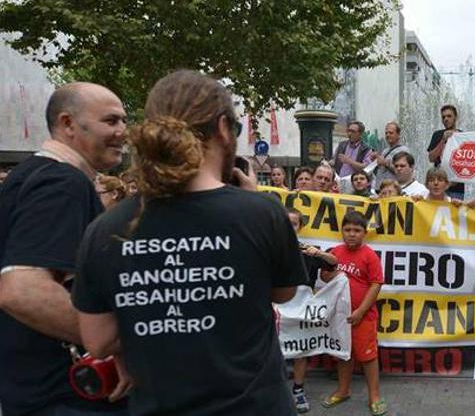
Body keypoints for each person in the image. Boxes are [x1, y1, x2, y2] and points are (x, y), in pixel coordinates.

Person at [71, 70, 309, 415]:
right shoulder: (260, 213)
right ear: (224, 129)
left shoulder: (105, 228)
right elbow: (284, 293)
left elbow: (97, 340)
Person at [0, 82, 129, 416]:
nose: (123, 132)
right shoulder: (62, 183)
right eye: (111, 121)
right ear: (68, 124)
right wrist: (117, 345)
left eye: (123, 121)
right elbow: (21, 290)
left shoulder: (31, 176)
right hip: (64, 398)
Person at [320, 212, 386, 416]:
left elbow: (376, 285)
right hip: (340, 316)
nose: (351, 234)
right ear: (342, 231)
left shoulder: (370, 255)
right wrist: (329, 271)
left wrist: (360, 311)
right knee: (343, 355)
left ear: (365, 233)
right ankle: (343, 390)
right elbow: (324, 277)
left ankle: (374, 396)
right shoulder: (335, 252)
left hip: (363, 317)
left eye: (357, 230)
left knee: (368, 357)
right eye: (347, 230)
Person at [286, 209, 337, 414]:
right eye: (286, 223)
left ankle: (298, 390)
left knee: (301, 350)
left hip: (301, 308)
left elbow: (334, 263)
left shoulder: (309, 251)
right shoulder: (270, 249)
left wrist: (319, 253)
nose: (290, 228)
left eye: (294, 224)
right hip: (276, 308)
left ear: (301, 227)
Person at [426, 105, 464, 199]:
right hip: (437, 186)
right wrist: (443, 140)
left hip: (456, 189)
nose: (446, 119)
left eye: (449, 116)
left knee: (454, 214)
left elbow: (467, 163)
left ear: (455, 117)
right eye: (443, 117)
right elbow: (431, 158)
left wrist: (453, 181)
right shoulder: (437, 135)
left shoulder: (463, 136)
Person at [372, 122, 409, 191]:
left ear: (398, 135)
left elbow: (403, 172)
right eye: (386, 133)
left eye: (391, 133)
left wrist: (385, 163)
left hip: (392, 191)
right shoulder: (385, 151)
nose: (388, 135)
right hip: (380, 189)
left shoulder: (403, 150)